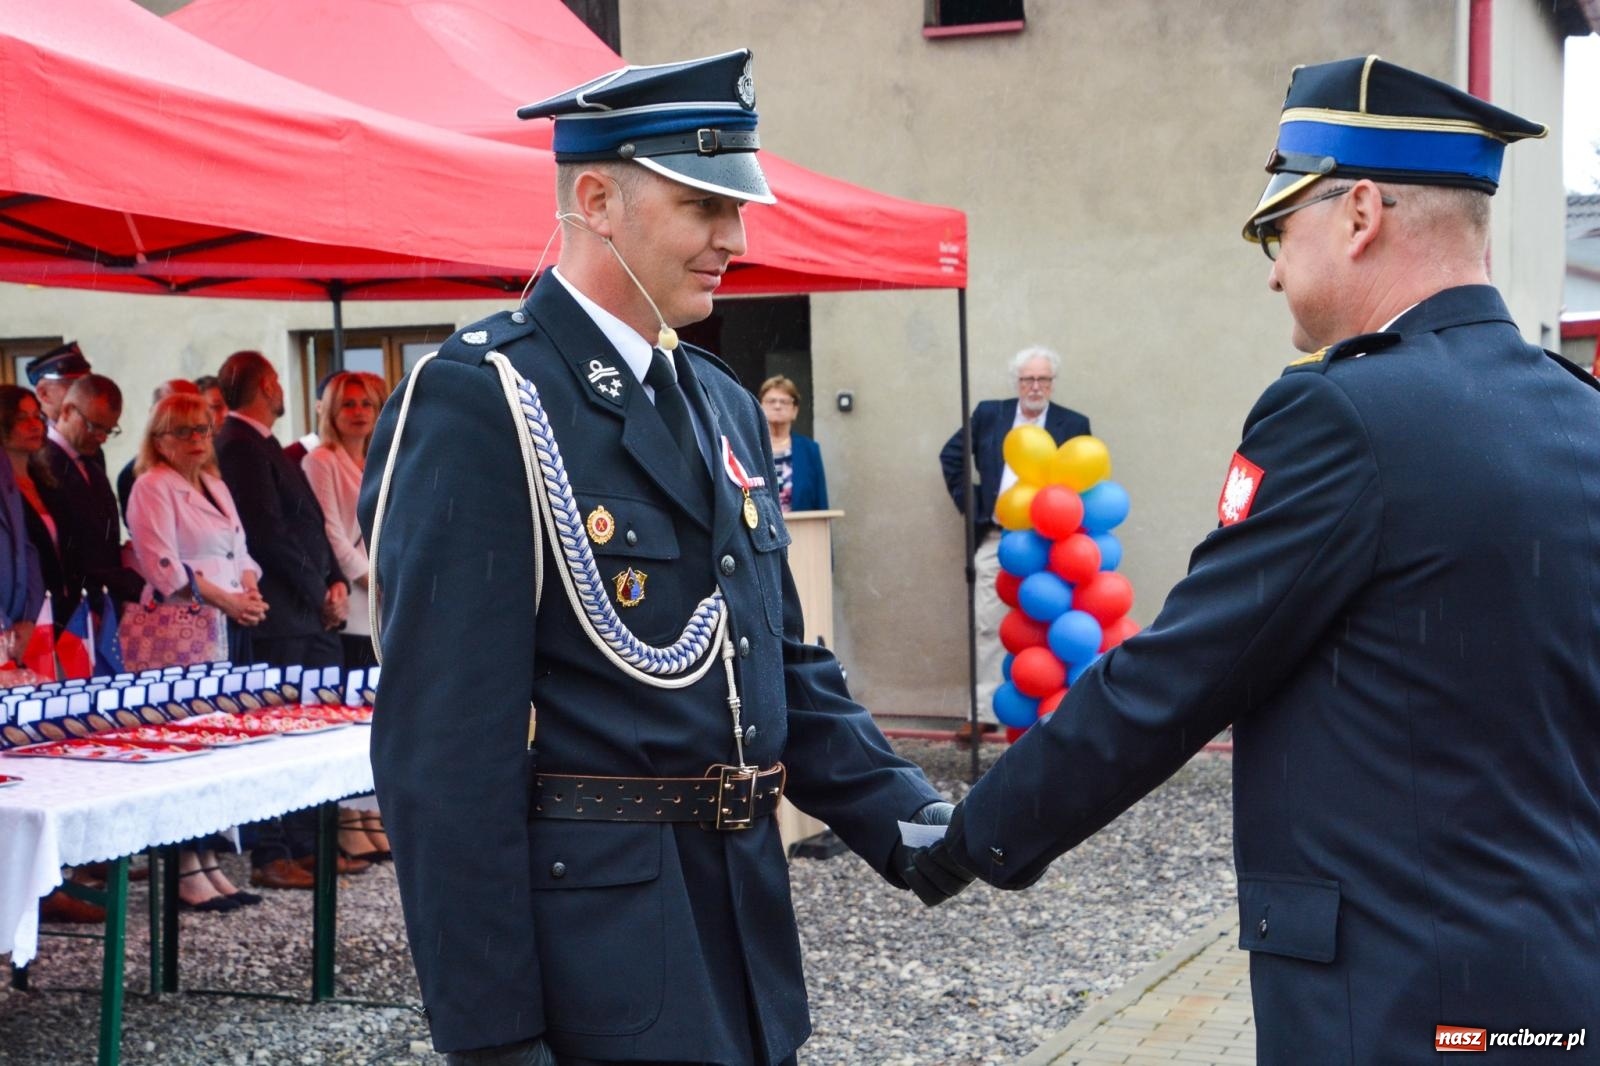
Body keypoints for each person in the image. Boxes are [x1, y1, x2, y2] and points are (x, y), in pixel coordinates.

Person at [904, 57, 1600, 1061]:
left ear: (1359, 211)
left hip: (1402, 997)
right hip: (1551, 988)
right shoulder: (1575, 410)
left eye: (1279, 229)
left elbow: (1179, 674)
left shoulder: (1342, 413)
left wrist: (971, 838)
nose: (1272, 267)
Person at [358, 50, 954, 1066]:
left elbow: (781, 660)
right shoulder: (484, 397)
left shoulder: (716, 396)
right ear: (597, 198)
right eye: (703, 206)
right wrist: (494, 1036)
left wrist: (915, 821)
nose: (735, 238)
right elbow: (442, 755)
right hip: (597, 951)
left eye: (738, 206)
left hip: (740, 923)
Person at [214, 350, 356, 890]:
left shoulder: (264, 443)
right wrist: (318, 587)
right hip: (280, 614)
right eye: (275, 380)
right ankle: (271, 852)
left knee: (312, 730)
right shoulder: (239, 445)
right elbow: (267, 532)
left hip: (307, 611)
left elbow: (309, 522)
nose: (281, 390)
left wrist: (334, 581)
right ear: (264, 385)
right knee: (277, 735)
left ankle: (305, 844)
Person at [125, 393, 267, 911]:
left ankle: (210, 860)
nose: (195, 440)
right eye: (182, 431)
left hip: (226, 628)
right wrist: (228, 598)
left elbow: (241, 549)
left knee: (219, 740)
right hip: (182, 632)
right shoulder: (151, 487)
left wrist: (248, 589)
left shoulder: (215, 484)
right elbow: (161, 564)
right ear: (159, 439)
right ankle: (185, 867)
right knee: (188, 741)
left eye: (202, 430)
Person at [937, 346, 1089, 732]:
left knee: (1047, 622)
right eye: (1027, 379)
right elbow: (951, 455)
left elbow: (1083, 485)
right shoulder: (991, 414)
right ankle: (985, 713)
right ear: (1017, 382)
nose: (1034, 386)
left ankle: (1055, 711)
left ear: (1052, 384)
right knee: (988, 622)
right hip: (998, 536)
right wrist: (972, 505)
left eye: (1042, 379)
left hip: (1051, 544)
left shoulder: (1073, 424)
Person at [301, 370, 392, 861]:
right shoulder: (322, 460)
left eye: (366, 404)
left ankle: (373, 808)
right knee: (352, 711)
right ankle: (347, 815)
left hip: (383, 596)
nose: (358, 412)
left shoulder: (379, 456)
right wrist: (365, 577)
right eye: (347, 404)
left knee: (377, 711)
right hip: (351, 596)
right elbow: (330, 530)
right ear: (330, 412)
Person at [38, 375, 145, 623]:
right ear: (67, 410)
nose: (102, 437)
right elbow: (63, 549)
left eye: (109, 430)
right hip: (73, 607)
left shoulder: (92, 461)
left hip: (105, 601)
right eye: (94, 426)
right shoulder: (42, 462)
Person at [0, 387, 47, 662]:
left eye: (36, 416)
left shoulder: (9, 476)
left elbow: (26, 550)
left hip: (19, 625)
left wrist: (31, 617)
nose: (33, 425)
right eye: (21, 418)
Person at [117, 379, 202, 523]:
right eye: (177, 410)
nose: (189, 418)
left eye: (196, 408)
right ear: (153, 415)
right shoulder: (133, 477)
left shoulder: (212, 466)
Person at [757, 375, 827, 512]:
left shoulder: (810, 449)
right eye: (771, 401)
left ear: (794, 410)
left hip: (804, 531)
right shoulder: (750, 448)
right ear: (760, 407)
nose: (777, 406)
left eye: (784, 402)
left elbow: (821, 501)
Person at [25, 341, 91, 428]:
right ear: (44, 393)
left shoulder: (83, 431)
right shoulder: (34, 437)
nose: (84, 393)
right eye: (73, 386)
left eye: (86, 386)